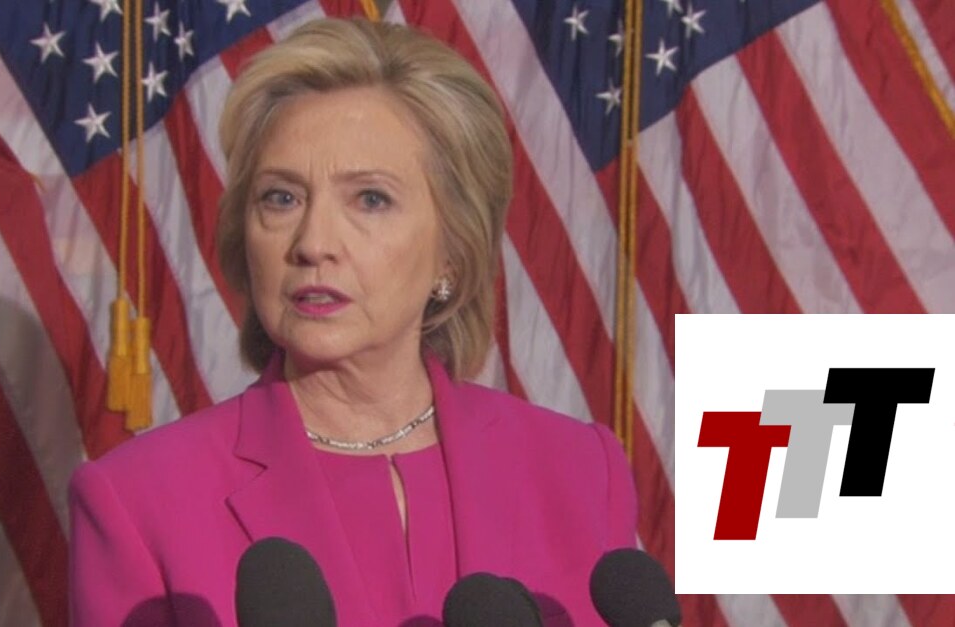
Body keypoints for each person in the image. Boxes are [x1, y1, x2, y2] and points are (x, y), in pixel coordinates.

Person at [69, 17, 637, 626]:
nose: (313, 242)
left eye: (370, 199)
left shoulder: (581, 469)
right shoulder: (137, 501)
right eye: (281, 198)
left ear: (452, 248)